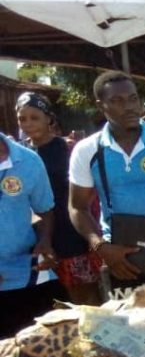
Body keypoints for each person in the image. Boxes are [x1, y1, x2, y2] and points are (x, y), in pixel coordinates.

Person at [69, 71, 145, 324]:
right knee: (127, 340)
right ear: (100, 106)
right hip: (120, 263)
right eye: (118, 100)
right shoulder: (88, 150)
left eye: (134, 99)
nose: (130, 107)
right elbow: (77, 207)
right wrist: (101, 248)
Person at [17, 92, 100, 305]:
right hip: (38, 234)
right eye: (22, 118)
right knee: (52, 300)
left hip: (71, 231)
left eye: (34, 117)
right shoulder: (20, 154)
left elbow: (89, 192)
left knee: (84, 298)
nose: (28, 124)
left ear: (49, 119)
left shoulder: (68, 149)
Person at [0, 129, 59, 338]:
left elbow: (44, 211)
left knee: (30, 352)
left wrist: (45, 240)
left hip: (24, 274)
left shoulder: (29, 161)